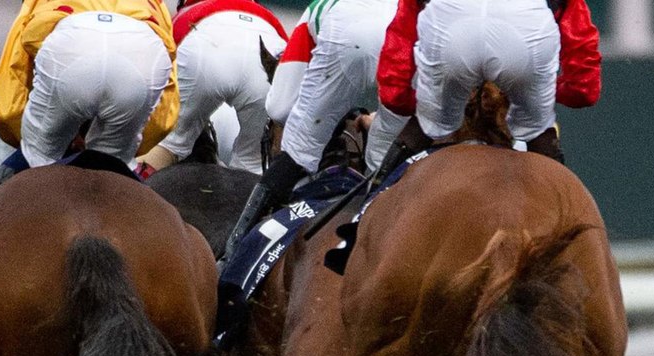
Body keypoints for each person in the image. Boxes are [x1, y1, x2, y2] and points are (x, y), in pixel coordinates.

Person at [220, 0, 400, 264]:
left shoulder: (316, 10)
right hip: (406, 36)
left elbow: (280, 109)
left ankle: (231, 254)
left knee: (296, 145)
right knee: (382, 167)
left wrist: (323, 121)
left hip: (346, 34)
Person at [376, 0, 601, 167]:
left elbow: (398, 50)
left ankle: (371, 200)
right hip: (525, 37)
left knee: (428, 125)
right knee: (536, 130)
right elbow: (584, 88)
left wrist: (414, 103)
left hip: (451, 34)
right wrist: (555, 92)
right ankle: (565, 213)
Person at [0, 0, 178, 175]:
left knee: (37, 157)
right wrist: (128, 145)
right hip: (143, 50)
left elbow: (7, 106)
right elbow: (163, 118)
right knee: (112, 170)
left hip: (71, 42)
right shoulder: (157, 3)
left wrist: (33, 138)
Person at [133, 0, 287, 176]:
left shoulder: (188, 12)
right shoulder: (270, 20)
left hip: (205, 50)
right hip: (266, 54)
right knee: (251, 163)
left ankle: (133, 193)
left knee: (169, 144)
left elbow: (163, 67)